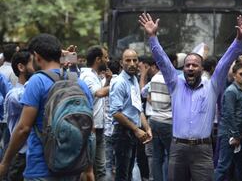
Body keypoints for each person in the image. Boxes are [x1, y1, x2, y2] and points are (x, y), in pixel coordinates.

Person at [138, 13, 242, 181]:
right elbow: (162, 61)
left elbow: (225, 62)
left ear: (201, 68)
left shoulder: (212, 86)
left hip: (203, 150)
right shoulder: (175, 84)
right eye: (187, 65)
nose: (190, 67)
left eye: (195, 65)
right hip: (178, 148)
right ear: (183, 68)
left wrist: (238, 41)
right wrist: (152, 37)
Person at [0, 33, 93, 180]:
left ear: (36, 57)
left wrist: (5, 163)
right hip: (72, 167)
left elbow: (24, 128)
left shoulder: (38, 81)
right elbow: (89, 129)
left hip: (41, 169)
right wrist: (89, 170)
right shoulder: (79, 83)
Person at [110, 49, 152, 181]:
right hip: (123, 133)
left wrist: (147, 128)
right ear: (121, 63)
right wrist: (136, 129)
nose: (132, 63)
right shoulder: (119, 82)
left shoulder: (134, 79)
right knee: (122, 175)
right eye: (128, 60)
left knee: (128, 174)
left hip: (133, 132)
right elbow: (116, 112)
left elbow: (137, 109)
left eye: (135, 60)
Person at [80, 45, 112, 181]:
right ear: (98, 59)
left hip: (99, 128)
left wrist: (109, 81)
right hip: (89, 130)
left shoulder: (96, 76)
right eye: (105, 57)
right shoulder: (87, 76)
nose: (108, 60)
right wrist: (118, 83)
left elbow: (98, 93)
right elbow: (99, 93)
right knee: (88, 169)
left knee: (100, 168)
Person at [214, 63, 242, 181]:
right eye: (241, 74)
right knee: (223, 166)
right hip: (229, 134)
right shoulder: (231, 91)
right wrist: (235, 135)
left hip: (239, 133)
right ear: (234, 75)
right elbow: (228, 114)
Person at [3, 50, 34, 181]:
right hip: (20, 156)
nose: (38, 67)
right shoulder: (14, 94)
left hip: (34, 155)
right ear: (21, 67)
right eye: (34, 63)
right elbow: (31, 97)